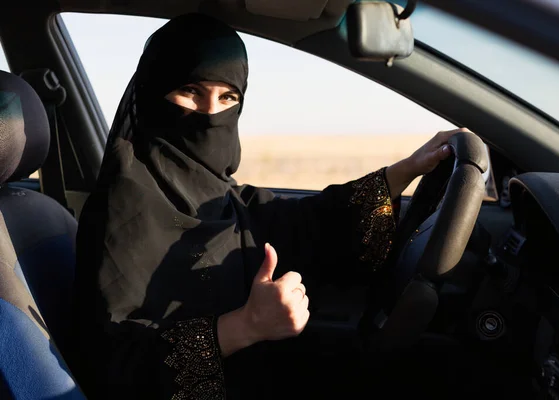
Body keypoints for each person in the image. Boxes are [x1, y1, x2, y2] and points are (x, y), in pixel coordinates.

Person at [70, 12, 464, 400]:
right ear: (154, 94)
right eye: (191, 91)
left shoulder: (220, 196)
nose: (211, 114)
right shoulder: (122, 218)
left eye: (227, 96)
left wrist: (406, 170)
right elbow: (115, 369)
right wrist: (243, 326)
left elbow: (308, 222)